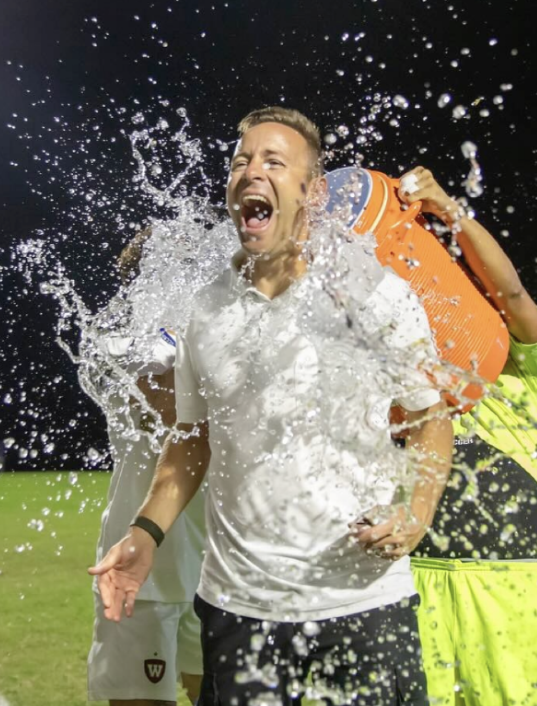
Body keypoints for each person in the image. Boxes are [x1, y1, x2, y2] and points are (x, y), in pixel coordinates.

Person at [90, 107, 454, 705]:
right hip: (241, 607)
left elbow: (428, 418)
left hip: (363, 601)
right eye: (241, 161)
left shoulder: (374, 293)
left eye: (273, 162)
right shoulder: (205, 311)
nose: (250, 170)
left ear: (311, 194)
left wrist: (416, 513)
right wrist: (145, 533)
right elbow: (191, 441)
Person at [401, 168, 537, 706]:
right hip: (418, 579)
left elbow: (511, 291)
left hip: (521, 584)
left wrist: (446, 209)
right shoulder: (407, 379)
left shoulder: (531, 365)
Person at [85, 228, 206, 705]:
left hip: (215, 569)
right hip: (143, 570)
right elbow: (178, 417)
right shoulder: (120, 344)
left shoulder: (212, 333)